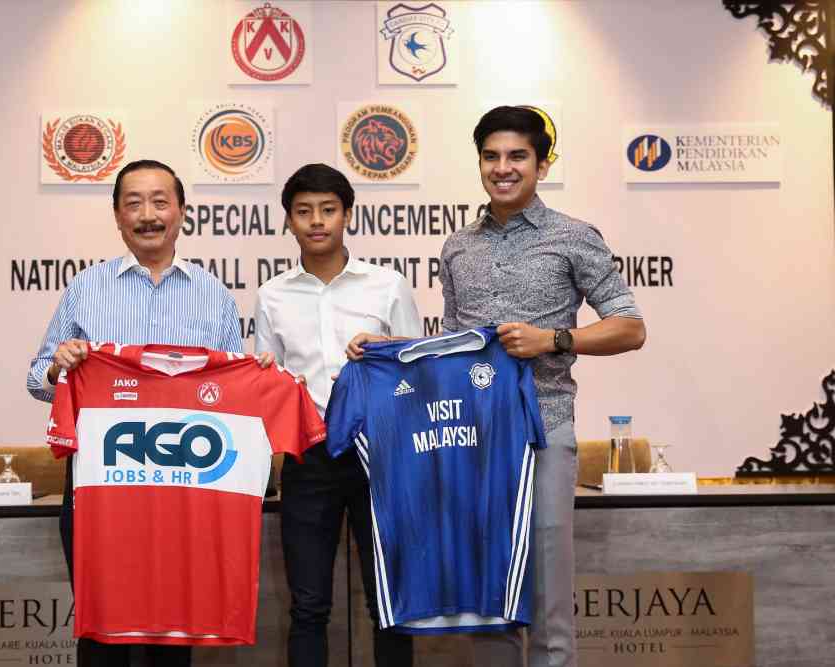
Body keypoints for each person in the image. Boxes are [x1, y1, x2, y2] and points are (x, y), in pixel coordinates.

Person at [349, 105, 646, 666]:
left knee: (547, 595)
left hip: (543, 432)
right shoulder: (459, 247)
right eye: (491, 156)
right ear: (479, 162)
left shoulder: (574, 237)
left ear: (541, 163)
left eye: (517, 157)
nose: (502, 168)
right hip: (472, 441)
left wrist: (553, 340)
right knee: (490, 599)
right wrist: (382, 350)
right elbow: (450, 352)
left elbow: (631, 328)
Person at [28, 159, 254, 667]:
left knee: (171, 631)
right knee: (103, 628)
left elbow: (231, 392)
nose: (147, 214)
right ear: (116, 215)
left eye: (159, 201)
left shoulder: (213, 294)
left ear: (181, 212)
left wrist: (252, 375)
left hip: (182, 485)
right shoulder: (87, 287)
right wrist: (59, 368)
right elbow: (36, 376)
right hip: (101, 484)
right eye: (133, 203)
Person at [254, 163, 421, 667]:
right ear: (287, 221)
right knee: (308, 606)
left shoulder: (388, 285)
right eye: (303, 212)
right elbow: (269, 386)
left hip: (382, 455)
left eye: (328, 209)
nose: (317, 221)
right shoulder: (272, 294)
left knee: (390, 604)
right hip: (309, 458)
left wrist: (390, 348)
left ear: (347, 214)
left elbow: (418, 368)